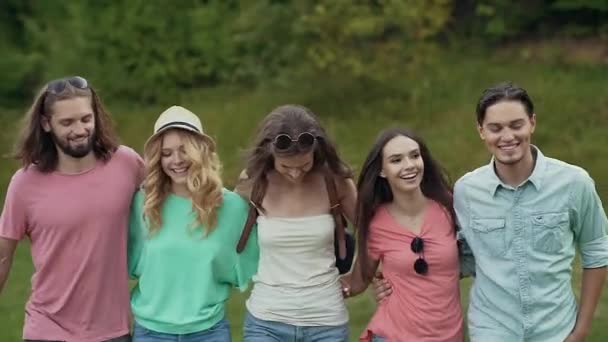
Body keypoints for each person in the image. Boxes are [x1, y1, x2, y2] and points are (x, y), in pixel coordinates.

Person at [374, 82, 608, 342]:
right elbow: (455, 257)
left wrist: (581, 330)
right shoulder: (467, 191)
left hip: (555, 329)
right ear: (481, 131)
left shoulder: (574, 183)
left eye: (516, 125)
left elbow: (597, 251)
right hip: (492, 329)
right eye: (495, 128)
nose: (507, 137)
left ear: (532, 123)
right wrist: (394, 277)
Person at [0, 76, 143, 342]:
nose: (79, 129)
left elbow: (170, 200)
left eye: (85, 119)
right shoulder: (24, 183)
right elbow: (3, 257)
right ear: (46, 124)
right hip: (46, 330)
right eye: (67, 123)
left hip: (113, 331)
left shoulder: (127, 163)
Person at [127, 105, 259, 341]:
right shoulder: (142, 204)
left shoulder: (231, 206)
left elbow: (247, 262)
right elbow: (130, 261)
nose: (176, 160)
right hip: (151, 333)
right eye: (166, 153)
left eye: (184, 150)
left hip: (209, 332)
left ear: (200, 151)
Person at [234, 104, 357, 342]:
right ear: (270, 152)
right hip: (266, 322)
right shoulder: (252, 183)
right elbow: (222, 226)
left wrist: (358, 278)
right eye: (286, 167)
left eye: (304, 165)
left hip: (326, 322)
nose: (295, 174)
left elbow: (374, 230)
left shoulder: (336, 181)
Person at [343, 128, 463, 342]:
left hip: (449, 336)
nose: (409, 165)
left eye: (415, 156)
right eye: (396, 160)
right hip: (393, 335)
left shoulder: (449, 207)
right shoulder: (376, 224)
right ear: (382, 170)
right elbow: (358, 281)